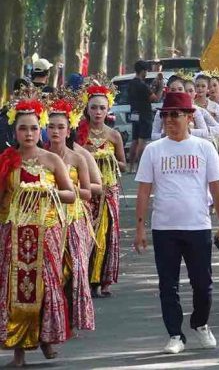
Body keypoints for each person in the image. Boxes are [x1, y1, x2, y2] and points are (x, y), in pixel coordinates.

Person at [134, 91, 219, 354]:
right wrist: (140, 227)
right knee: (168, 284)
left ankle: (200, 323)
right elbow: (143, 191)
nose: (169, 120)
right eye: (165, 115)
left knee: (202, 284)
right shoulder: (154, 150)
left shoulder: (204, 147)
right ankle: (175, 334)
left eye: (175, 114)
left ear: (190, 117)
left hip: (198, 226)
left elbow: (217, 188)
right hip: (165, 228)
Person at [0, 92, 76, 366]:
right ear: (15, 131)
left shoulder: (51, 160)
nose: (29, 133)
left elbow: (71, 195)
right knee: (15, 291)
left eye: (34, 127)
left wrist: (48, 191)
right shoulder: (7, 160)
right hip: (15, 233)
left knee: (46, 287)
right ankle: (18, 350)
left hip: (47, 233)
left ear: (40, 128)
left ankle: (45, 337)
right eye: (23, 128)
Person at [45, 93, 96, 334]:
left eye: (60, 127)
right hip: (48, 218)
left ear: (69, 130)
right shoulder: (40, 157)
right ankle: (57, 321)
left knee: (75, 268)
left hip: (74, 218)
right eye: (51, 126)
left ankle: (72, 319)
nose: (55, 131)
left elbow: (88, 191)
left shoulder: (78, 157)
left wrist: (68, 189)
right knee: (53, 272)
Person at [78, 79, 126, 297]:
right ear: (87, 109)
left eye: (102, 108)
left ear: (109, 110)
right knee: (85, 233)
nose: (98, 112)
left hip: (108, 191)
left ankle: (102, 279)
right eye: (94, 107)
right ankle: (84, 279)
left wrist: (109, 159)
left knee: (105, 234)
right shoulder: (79, 134)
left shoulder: (114, 135)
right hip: (86, 191)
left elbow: (124, 165)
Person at [151, 77, 219, 141]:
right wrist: (164, 135)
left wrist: (187, 131)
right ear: (168, 92)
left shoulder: (195, 109)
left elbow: (205, 132)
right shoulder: (161, 111)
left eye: (180, 89)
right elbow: (153, 135)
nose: (177, 92)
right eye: (173, 90)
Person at [127, 61, 162, 173]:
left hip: (134, 114)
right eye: (146, 70)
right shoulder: (142, 85)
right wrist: (160, 87)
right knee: (142, 141)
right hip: (144, 114)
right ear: (142, 71)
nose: (147, 72)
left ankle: (131, 166)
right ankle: (139, 167)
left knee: (134, 140)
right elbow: (155, 98)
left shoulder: (131, 83)